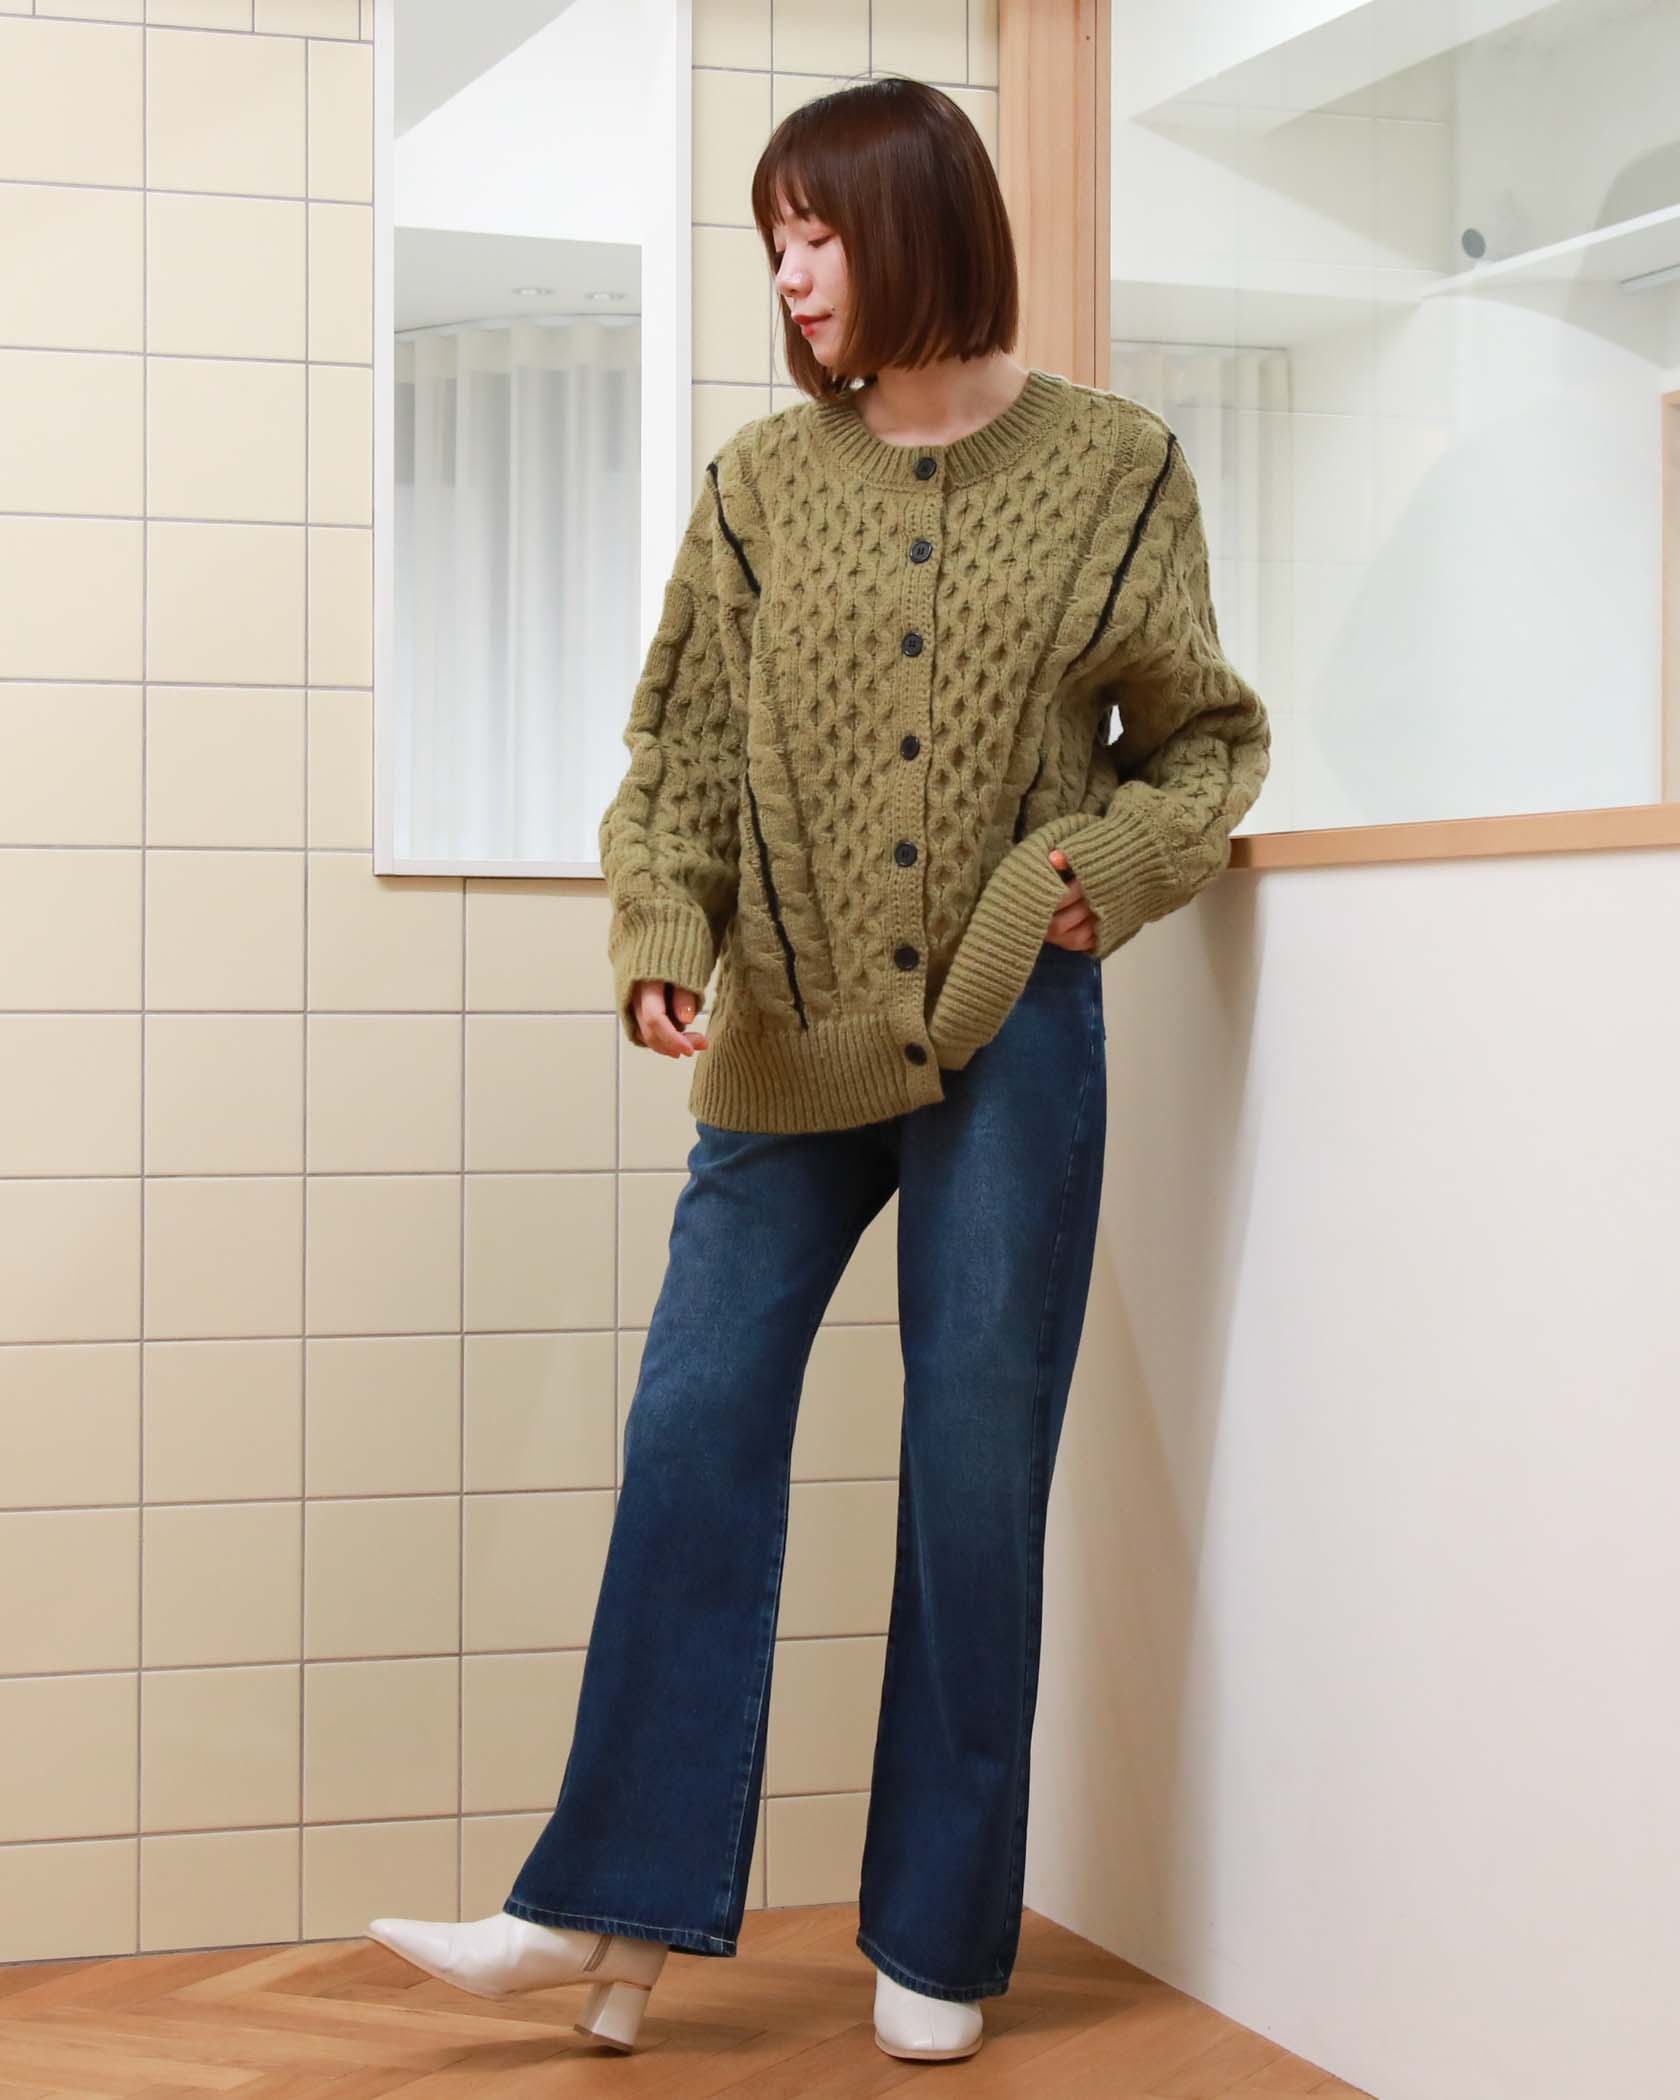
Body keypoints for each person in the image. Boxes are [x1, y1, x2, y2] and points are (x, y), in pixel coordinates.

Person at [367, 76, 1270, 2063]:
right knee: (694, 1426)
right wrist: (660, 936)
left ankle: (936, 1934)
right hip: (783, 1030)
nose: (786, 274)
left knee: (973, 1467)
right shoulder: (762, 485)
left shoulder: (1116, 468)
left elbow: (1204, 745)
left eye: (814, 233)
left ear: (914, 222)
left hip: (1010, 1032)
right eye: (772, 241)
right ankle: (602, 1905)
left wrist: (1079, 877)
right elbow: (683, 749)